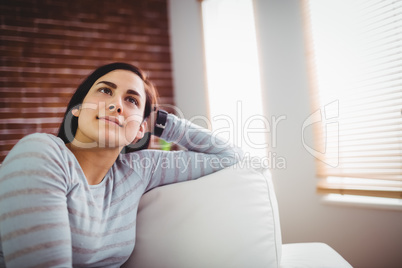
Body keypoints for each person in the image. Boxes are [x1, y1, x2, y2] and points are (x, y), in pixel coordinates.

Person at [0, 62, 243, 267]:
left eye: (131, 100)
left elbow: (228, 156)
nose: (116, 104)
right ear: (78, 108)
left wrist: (160, 121)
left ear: (139, 130)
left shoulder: (138, 170)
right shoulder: (41, 152)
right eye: (105, 91)